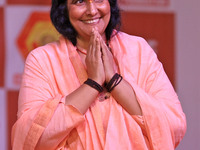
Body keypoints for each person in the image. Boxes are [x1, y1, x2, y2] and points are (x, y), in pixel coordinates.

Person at [11, 0, 186, 149]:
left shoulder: (138, 50)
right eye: (79, 1)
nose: (92, 10)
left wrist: (114, 80)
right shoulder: (43, 60)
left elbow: (173, 125)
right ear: (64, 8)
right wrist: (93, 83)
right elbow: (31, 138)